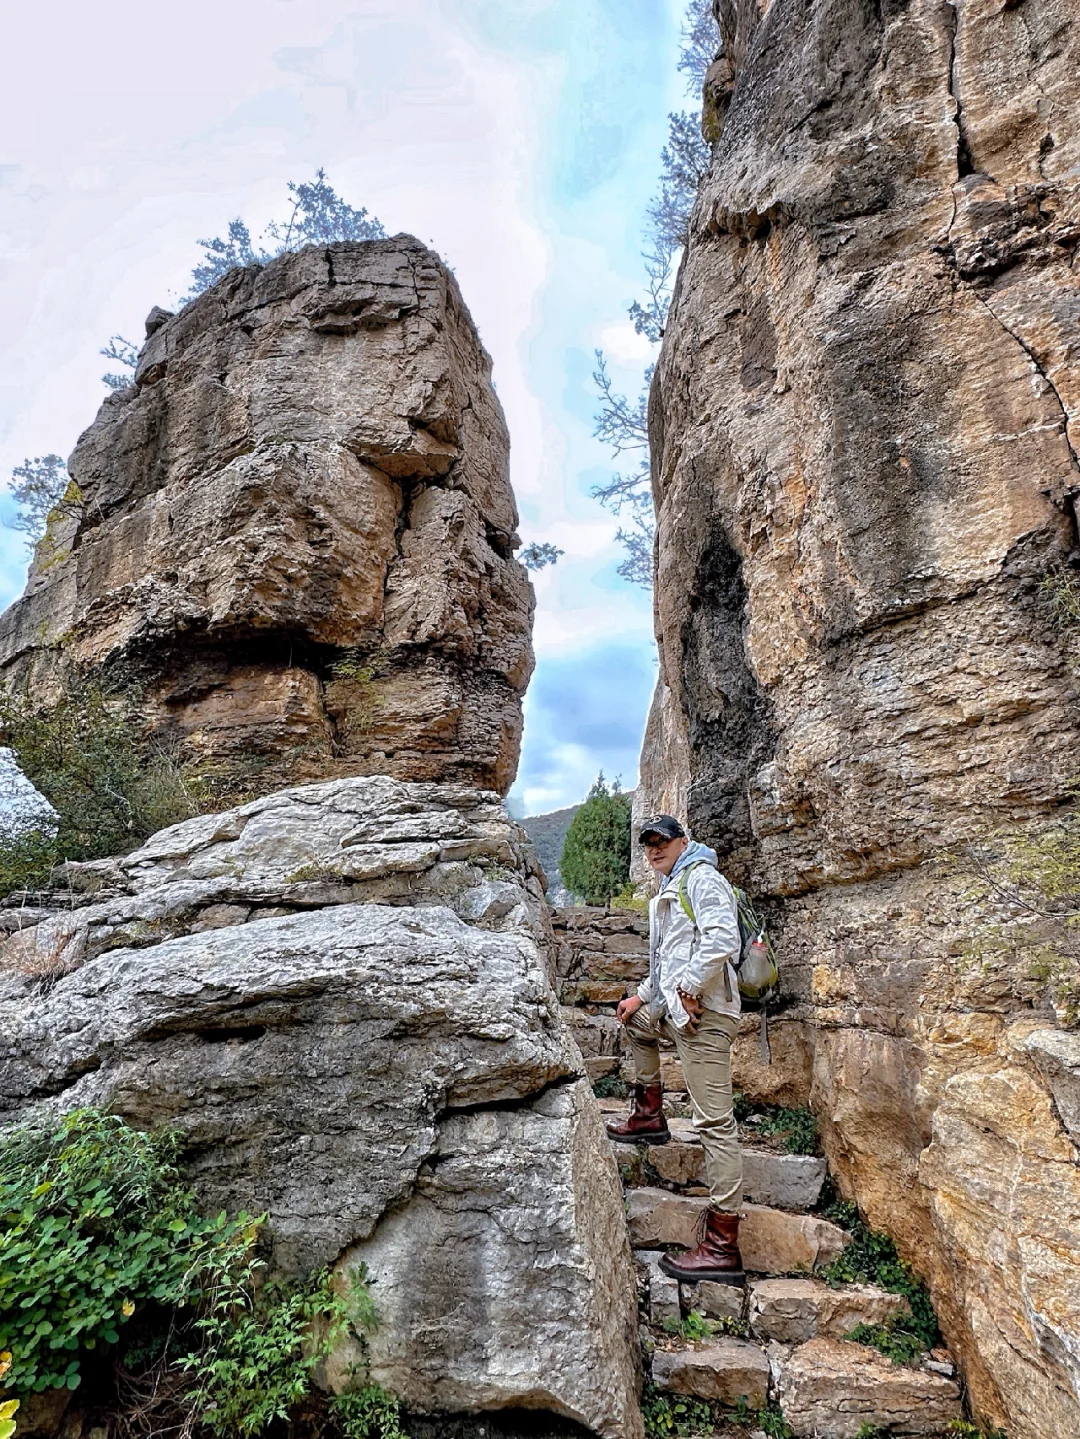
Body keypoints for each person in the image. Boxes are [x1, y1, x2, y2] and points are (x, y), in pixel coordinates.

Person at [606, 814, 745, 1285]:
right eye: (646, 845)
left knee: (712, 1121)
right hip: (677, 1012)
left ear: (682, 841)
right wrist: (640, 998)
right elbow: (665, 962)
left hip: (706, 1017)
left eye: (660, 841)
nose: (652, 850)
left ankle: (724, 1243)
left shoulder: (703, 879)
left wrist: (689, 985)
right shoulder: (669, 890)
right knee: (636, 1024)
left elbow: (723, 937)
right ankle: (649, 1116)